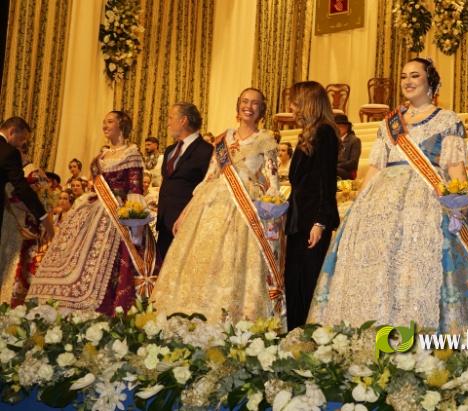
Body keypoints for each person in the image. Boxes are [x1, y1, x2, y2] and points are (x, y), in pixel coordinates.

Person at [309, 58, 468, 332]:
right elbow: (375, 167)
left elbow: (455, 167)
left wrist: (459, 203)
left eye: (415, 76)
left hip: (426, 203)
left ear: (430, 82)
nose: (408, 81)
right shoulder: (389, 124)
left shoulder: (447, 120)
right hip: (381, 202)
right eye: (404, 76)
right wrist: (359, 204)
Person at [151, 88, 284, 323]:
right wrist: (186, 212)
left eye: (255, 103)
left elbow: (273, 185)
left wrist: (270, 213)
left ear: (261, 109)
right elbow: (209, 177)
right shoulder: (223, 139)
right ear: (238, 105)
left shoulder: (265, 140)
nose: (249, 106)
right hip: (212, 204)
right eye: (245, 101)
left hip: (245, 209)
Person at [28, 111, 152, 315]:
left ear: (122, 125)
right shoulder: (102, 155)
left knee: (111, 260)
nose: (105, 125)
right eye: (104, 122)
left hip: (118, 211)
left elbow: (135, 189)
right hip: (95, 209)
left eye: (110, 121)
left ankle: (108, 304)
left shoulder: (131, 153)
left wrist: (134, 223)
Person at [284, 81, 340, 330]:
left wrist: (320, 222)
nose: (291, 107)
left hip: (312, 221)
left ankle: (306, 336)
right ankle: (295, 334)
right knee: (294, 282)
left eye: (295, 102)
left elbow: (326, 181)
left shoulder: (324, 133)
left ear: (308, 103)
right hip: (299, 220)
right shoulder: (309, 133)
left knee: (307, 283)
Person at [156, 102, 213, 260]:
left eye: (171, 117)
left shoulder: (207, 151)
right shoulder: (170, 150)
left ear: (183, 120)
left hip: (187, 225)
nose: (168, 123)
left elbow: (207, 189)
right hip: (164, 224)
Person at [0, 117, 52, 244]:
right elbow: (22, 188)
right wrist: (45, 219)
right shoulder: (9, 152)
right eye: (21, 139)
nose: (21, 144)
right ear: (12, 131)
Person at [334, 114, 362, 180]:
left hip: (348, 171)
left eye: (342, 126)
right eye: (337, 126)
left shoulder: (354, 140)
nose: (339, 128)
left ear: (347, 127)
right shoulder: (333, 140)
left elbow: (353, 163)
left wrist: (335, 166)